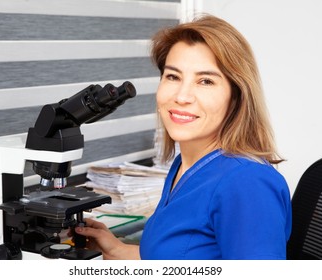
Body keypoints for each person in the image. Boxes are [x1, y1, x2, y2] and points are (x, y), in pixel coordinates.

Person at [75, 13, 292, 260]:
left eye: (206, 81)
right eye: (173, 76)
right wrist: (118, 250)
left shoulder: (247, 183)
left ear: (236, 97)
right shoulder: (186, 164)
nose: (182, 96)